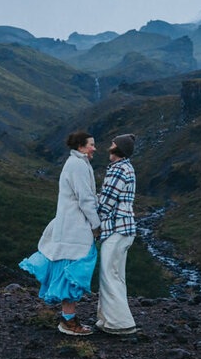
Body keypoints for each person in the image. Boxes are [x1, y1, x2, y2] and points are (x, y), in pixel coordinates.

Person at [19, 130, 101, 336]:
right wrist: (96, 225)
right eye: (91, 144)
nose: (94, 148)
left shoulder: (75, 163)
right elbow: (85, 199)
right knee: (74, 270)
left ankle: (69, 319)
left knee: (70, 269)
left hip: (70, 226)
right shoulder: (78, 166)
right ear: (81, 147)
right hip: (76, 228)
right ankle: (68, 322)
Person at [95, 133, 138, 335]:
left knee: (108, 275)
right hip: (125, 229)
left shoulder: (118, 170)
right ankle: (108, 320)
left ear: (118, 149)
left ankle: (120, 323)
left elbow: (106, 202)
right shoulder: (126, 168)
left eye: (112, 145)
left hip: (116, 229)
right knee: (116, 275)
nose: (109, 148)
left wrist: (93, 221)